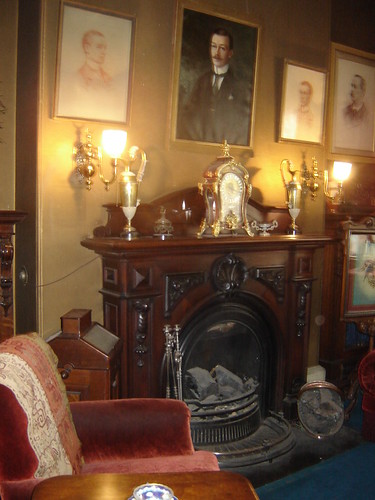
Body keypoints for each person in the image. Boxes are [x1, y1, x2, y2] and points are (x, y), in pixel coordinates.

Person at [177, 27, 251, 145]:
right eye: (213, 46)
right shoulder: (201, 82)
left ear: (230, 53)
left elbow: (242, 123)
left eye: (222, 48)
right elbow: (188, 116)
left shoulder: (238, 86)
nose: (216, 53)